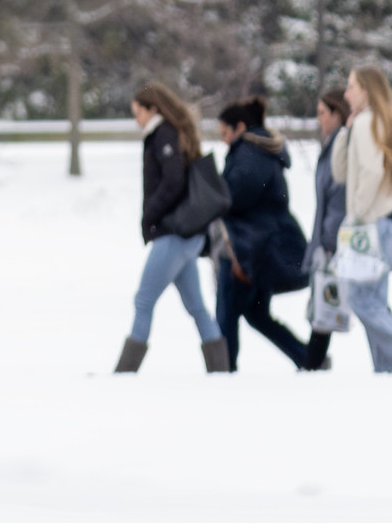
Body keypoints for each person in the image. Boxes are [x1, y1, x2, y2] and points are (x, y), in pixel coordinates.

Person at [119, 82, 228, 373]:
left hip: (174, 236)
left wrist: (151, 215)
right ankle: (220, 370)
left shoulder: (163, 134)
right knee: (197, 307)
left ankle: (124, 374)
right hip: (184, 237)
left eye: (138, 113)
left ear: (152, 109)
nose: (136, 120)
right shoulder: (168, 134)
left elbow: (173, 181)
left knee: (143, 301)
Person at [210, 98, 325, 371]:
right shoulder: (257, 150)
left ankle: (224, 370)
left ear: (239, 127)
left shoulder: (250, 153)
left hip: (250, 248)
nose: (224, 140)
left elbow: (235, 196)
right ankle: (309, 358)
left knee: (228, 312)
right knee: (255, 314)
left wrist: (213, 191)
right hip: (261, 245)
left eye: (225, 133)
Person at [331, 66, 392, 375]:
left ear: (367, 91)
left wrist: (355, 217)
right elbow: (340, 172)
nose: (346, 94)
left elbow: (370, 173)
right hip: (388, 220)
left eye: (351, 87)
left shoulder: (366, 123)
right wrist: (344, 132)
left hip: (373, 222)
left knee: (361, 298)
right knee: (374, 297)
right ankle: (385, 370)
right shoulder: (368, 124)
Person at [305, 87, 351, 369]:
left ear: (337, 113)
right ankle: (312, 363)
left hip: (335, 238)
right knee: (324, 305)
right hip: (327, 237)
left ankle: (312, 364)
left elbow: (338, 197)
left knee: (353, 300)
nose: (319, 119)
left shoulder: (339, 146)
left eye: (323, 113)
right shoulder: (330, 144)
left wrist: (329, 240)